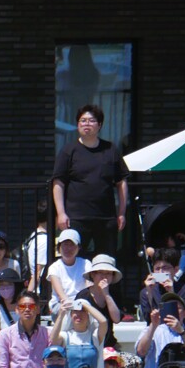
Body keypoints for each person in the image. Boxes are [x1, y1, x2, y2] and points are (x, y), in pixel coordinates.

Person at [51, 103, 129, 255]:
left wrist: (121, 212)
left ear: (99, 125)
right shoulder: (68, 150)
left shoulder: (111, 149)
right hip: (76, 218)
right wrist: (61, 213)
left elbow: (121, 182)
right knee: (73, 260)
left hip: (106, 218)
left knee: (107, 262)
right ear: (78, 124)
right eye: (83, 120)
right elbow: (58, 182)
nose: (87, 124)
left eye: (91, 120)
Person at [136, 292, 185, 368]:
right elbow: (141, 352)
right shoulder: (150, 330)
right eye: (169, 308)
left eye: (178, 308)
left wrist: (181, 331)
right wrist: (153, 326)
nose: (173, 311)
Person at [0, 290, 50, 368]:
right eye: (22, 306)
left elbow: (50, 363)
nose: (27, 309)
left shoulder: (47, 333)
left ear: (38, 309)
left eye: (31, 306)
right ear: (16, 309)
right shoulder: (5, 335)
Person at [49, 297, 108, 368]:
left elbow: (103, 322)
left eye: (82, 311)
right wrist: (61, 314)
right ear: (70, 315)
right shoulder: (65, 336)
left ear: (89, 316)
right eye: (75, 311)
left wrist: (84, 305)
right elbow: (52, 340)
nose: (78, 314)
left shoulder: (95, 337)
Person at [139, 248, 185, 325]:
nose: (161, 272)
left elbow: (182, 318)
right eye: (157, 269)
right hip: (155, 333)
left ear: (176, 270)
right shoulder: (145, 291)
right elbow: (148, 319)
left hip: (177, 333)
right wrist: (149, 293)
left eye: (165, 268)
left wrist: (171, 293)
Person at [75, 253, 121, 348]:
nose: (104, 276)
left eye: (108, 273)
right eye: (100, 272)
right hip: (87, 344)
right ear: (93, 274)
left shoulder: (114, 294)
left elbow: (116, 319)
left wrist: (106, 294)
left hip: (109, 345)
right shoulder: (83, 295)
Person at [46, 229, 91, 313]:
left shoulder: (86, 264)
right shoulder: (54, 267)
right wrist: (74, 307)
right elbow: (61, 295)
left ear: (78, 247)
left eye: (72, 245)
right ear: (59, 247)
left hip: (82, 303)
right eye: (65, 245)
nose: (68, 248)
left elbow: (89, 288)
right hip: (61, 304)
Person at [20, 200, 49, 294]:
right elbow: (38, 272)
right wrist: (28, 295)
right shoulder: (44, 240)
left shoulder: (34, 235)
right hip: (39, 292)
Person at [0, 268, 23, 333]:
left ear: (16, 286)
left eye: (9, 284)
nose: (5, 288)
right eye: (1, 285)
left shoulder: (25, 307)